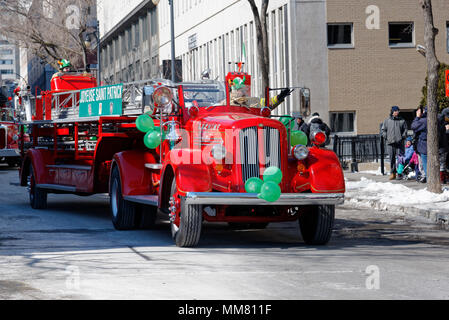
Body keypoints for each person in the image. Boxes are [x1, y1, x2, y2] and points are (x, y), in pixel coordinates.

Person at [381, 106, 408, 180]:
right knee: (392, 158)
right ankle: (393, 173)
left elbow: (405, 130)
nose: (397, 112)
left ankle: (399, 173)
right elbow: (383, 130)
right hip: (390, 143)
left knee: (400, 159)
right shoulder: (387, 121)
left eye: (398, 111)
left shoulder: (402, 120)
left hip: (399, 143)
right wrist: (386, 137)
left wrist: (402, 137)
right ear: (392, 112)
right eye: (395, 111)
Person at [411, 107, 428, 183]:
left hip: (424, 145)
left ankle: (427, 178)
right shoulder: (438, 118)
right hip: (433, 145)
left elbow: (414, 126)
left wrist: (417, 117)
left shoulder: (423, 121)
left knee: (425, 164)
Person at [437, 108, 449, 183]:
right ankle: (442, 179)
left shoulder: (441, 122)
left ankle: (443, 178)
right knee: (442, 163)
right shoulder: (442, 123)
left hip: (443, 146)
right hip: (443, 147)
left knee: (443, 163)